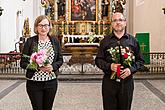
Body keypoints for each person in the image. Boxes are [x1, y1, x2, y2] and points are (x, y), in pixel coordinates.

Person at [95, 12, 144, 110]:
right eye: (115, 20)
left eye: (120, 20)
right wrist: (110, 66)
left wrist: (130, 70)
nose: (118, 22)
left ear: (125, 22)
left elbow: (140, 61)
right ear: (112, 24)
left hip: (127, 83)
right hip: (109, 82)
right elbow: (98, 60)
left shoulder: (133, 41)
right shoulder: (105, 41)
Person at [20, 15, 63, 110]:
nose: (43, 28)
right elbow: (23, 62)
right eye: (40, 25)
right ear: (36, 27)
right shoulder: (30, 41)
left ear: (49, 27)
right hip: (34, 83)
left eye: (46, 25)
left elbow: (60, 60)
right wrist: (36, 67)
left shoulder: (55, 41)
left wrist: (53, 66)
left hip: (51, 82)